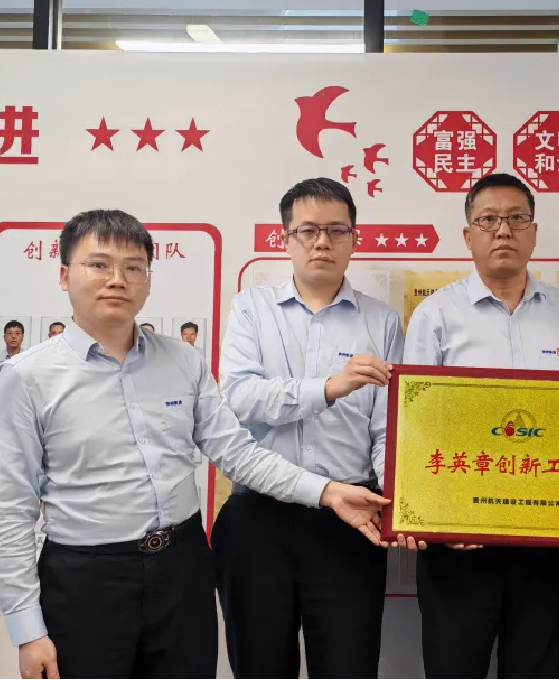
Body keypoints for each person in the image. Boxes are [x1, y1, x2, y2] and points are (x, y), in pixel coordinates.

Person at [0, 209, 391, 680]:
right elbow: (9, 509)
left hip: (182, 570)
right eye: (98, 264)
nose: (117, 279)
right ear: (64, 275)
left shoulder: (183, 361)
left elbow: (238, 453)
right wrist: (27, 630)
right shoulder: (25, 377)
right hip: (87, 578)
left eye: (134, 267)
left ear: (148, 280)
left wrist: (328, 492)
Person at [213, 178, 402, 679]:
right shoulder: (252, 308)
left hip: (350, 520)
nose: (322, 242)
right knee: (259, 666)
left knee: (348, 666)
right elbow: (239, 398)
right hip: (258, 518)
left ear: (354, 239)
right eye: (308, 230)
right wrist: (329, 388)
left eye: (336, 230)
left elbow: (389, 430)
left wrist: (400, 501)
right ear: (286, 239)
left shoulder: (382, 321)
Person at [399, 173, 559, 679]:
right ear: (468, 235)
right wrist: (436, 518)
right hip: (460, 541)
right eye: (488, 220)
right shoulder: (435, 314)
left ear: (533, 232)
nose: (503, 230)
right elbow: (414, 422)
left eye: (516, 218)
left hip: (545, 536)